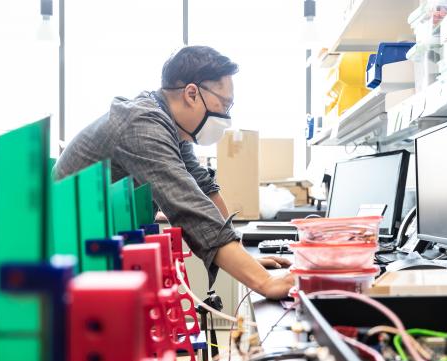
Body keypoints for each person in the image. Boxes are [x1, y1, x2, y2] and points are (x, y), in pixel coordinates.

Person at [54, 46, 293, 299]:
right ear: (192, 94)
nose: (226, 115)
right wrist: (265, 282)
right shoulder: (143, 124)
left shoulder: (168, 123)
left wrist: (246, 259)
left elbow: (203, 188)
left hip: (96, 247)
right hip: (66, 258)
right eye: (224, 104)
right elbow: (190, 207)